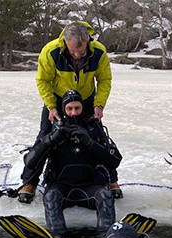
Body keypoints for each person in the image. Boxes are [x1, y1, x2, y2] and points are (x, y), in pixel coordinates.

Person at [19, 20, 123, 203]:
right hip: (58, 99)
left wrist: (99, 105)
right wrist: (51, 106)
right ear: (66, 42)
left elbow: (105, 79)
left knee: (98, 137)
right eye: (73, 50)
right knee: (45, 135)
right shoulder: (50, 51)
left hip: (87, 99)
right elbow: (43, 80)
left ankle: (111, 180)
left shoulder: (98, 51)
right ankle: (29, 182)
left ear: (88, 41)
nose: (77, 55)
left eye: (81, 51)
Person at [20, 89, 122, 237]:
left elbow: (114, 161)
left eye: (77, 108)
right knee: (50, 197)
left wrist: (90, 142)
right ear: (63, 109)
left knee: (105, 196)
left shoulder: (93, 128)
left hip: (89, 187)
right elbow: (30, 161)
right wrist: (51, 139)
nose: (73, 113)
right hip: (61, 188)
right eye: (69, 108)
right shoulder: (55, 130)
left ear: (82, 108)